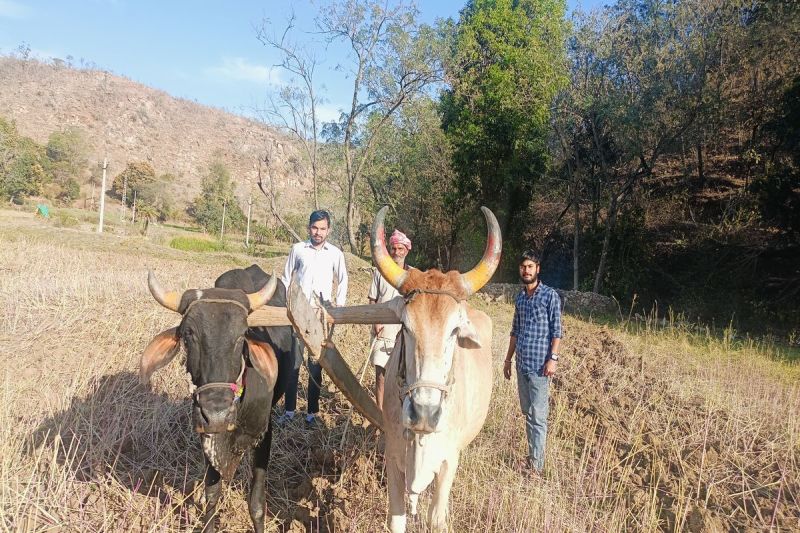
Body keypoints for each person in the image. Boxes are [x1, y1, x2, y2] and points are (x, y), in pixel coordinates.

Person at [278, 209, 348, 427]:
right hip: (298, 314)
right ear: (309, 228)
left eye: (322, 229)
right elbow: (286, 278)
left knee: (316, 366)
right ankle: (289, 411)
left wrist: (338, 306)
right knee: (293, 364)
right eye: (315, 228)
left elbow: (343, 279)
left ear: (328, 230)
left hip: (321, 316)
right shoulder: (298, 249)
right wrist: (286, 304)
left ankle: (312, 414)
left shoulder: (335, 254)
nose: (318, 232)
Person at [503, 250, 562, 474]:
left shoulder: (549, 296)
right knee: (528, 412)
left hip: (540, 367)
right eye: (523, 267)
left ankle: (536, 467)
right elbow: (515, 331)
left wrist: (553, 359)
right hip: (522, 365)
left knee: (538, 417)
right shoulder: (520, 298)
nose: (526, 271)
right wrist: (508, 359)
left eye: (530, 266)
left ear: (538, 269)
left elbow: (557, 331)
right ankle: (532, 457)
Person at [367, 229, 411, 413]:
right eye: (393, 248)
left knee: (403, 377)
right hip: (383, 331)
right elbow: (372, 299)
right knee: (381, 376)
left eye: (400, 249)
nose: (396, 252)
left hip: (404, 334)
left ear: (407, 250)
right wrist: (376, 321)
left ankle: (398, 413)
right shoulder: (381, 271)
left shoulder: (413, 274)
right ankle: (380, 415)